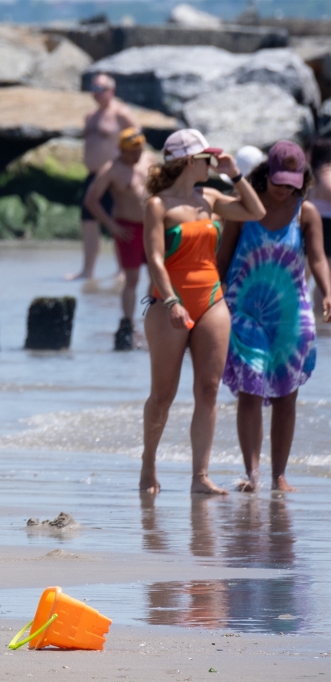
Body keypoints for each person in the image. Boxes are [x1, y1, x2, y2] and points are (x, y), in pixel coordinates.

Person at [138, 129, 265, 496]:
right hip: (168, 304)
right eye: (207, 157)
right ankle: (149, 465)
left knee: (208, 390)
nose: (212, 162)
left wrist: (235, 174)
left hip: (212, 300)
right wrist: (173, 301)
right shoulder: (157, 205)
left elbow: (255, 212)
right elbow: (156, 260)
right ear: (187, 162)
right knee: (163, 395)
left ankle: (200, 477)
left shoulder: (210, 197)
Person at [218, 140, 331, 493]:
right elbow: (221, 259)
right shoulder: (242, 209)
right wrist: (210, 301)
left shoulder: (305, 212)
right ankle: (252, 475)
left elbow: (316, 258)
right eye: (278, 182)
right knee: (249, 391)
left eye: (291, 184)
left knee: (287, 396)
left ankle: (279, 475)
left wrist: (327, 291)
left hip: (290, 315)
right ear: (266, 174)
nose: (284, 190)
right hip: (245, 310)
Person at [84, 128, 155, 347]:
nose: (136, 155)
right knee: (131, 279)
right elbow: (91, 200)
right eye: (132, 151)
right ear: (121, 150)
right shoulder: (111, 170)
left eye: (139, 150)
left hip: (152, 226)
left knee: (157, 275)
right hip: (128, 228)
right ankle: (127, 323)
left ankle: (151, 321)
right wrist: (112, 226)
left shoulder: (149, 161)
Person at [68, 73, 138, 281]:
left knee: (117, 221)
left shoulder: (121, 114)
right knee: (88, 221)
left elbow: (137, 140)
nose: (97, 93)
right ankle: (87, 270)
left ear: (112, 91)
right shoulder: (90, 116)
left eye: (101, 89)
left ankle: (122, 270)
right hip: (92, 175)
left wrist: (126, 167)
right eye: (94, 89)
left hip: (113, 176)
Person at [307, 138, 331, 325]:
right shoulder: (325, 173)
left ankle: (318, 312)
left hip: (317, 222)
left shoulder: (312, 173)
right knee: (325, 273)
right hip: (325, 224)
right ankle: (321, 313)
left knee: (316, 273)